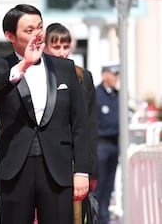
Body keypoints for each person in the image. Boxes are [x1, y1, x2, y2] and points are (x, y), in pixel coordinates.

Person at [0, 4, 90, 223]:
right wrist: (24, 65)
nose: (37, 34)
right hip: (15, 168)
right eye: (29, 30)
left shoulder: (65, 68)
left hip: (57, 169)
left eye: (40, 27)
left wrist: (81, 170)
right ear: (10, 35)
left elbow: (80, 123)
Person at [43, 22, 98, 221]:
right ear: (45, 46)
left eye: (65, 47)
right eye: (56, 46)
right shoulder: (38, 74)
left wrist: (91, 169)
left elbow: (90, 124)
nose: (62, 52)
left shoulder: (83, 76)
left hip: (76, 161)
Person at [95, 62, 120, 224]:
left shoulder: (117, 95)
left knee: (109, 186)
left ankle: (104, 217)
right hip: (101, 144)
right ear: (104, 75)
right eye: (114, 74)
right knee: (99, 185)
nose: (116, 78)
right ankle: (98, 218)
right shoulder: (96, 95)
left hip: (114, 145)